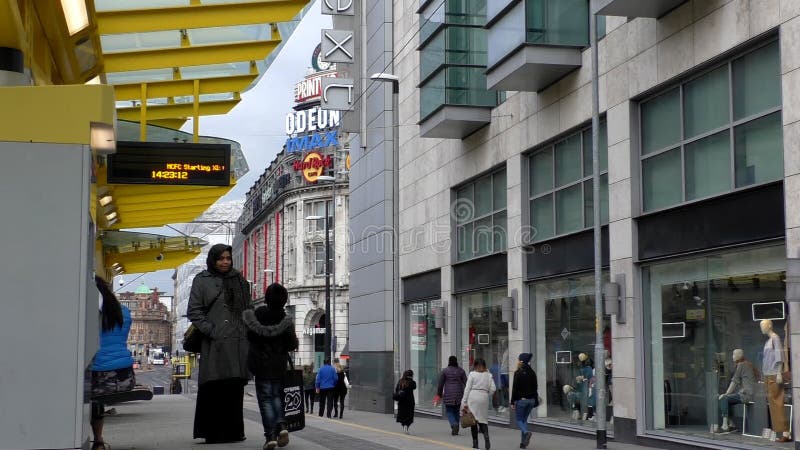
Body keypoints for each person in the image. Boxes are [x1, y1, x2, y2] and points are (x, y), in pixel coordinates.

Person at [187, 243, 252, 444]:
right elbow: (194, 311)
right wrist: (211, 330)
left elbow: (247, 309)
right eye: (221, 258)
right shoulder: (202, 280)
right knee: (214, 386)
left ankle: (234, 432)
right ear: (213, 260)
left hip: (237, 343)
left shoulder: (240, 280)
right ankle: (213, 433)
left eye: (228, 258)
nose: (225, 262)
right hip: (214, 344)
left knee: (234, 388)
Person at [243, 283, 298, 450]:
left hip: (261, 364)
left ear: (266, 298)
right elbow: (291, 344)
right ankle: (282, 425)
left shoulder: (258, 314)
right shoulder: (285, 318)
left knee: (265, 399)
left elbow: (250, 336)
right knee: (276, 397)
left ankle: (271, 435)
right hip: (279, 365)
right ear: (284, 300)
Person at [90, 276, 135, 450]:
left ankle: (94, 439)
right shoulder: (124, 311)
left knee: (84, 387)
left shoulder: (89, 312)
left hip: (101, 379)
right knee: (96, 399)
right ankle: (98, 439)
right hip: (125, 376)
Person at [717, 348, 755, 433]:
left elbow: (734, 382)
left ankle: (725, 426)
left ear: (739, 356)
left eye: (734, 354)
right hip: (750, 394)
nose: (732, 356)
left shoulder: (741, 365)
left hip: (747, 395)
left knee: (724, 399)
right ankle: (732, 425)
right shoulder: (747, 364)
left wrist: (725, 394)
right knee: (727, 401)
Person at [462, 358, 496, 449]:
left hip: (473, 397)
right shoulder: (489, 375)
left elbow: (467, 389)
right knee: (483, 420)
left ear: (475, 365)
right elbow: (493, 388)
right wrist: (487, 394)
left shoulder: (472, 374)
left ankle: (475, 443)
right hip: (484, 397)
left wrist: (464, 402)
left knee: (473, 421)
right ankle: (486, 438)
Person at [510, 353, 538, 449]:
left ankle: (526, 433)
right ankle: (523, 443)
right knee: (524, 420)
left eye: (518, 359)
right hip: (531, 400)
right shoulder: (532, 372)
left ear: (521, 361)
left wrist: (512, 402)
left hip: (521, 401)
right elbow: (535, 387)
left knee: (518, 420)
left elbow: (514, 388)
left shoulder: (518, 372)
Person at [437, 355, 467, 436]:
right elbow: (466, 382)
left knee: (449, 411)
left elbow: (440, 384)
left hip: (448, 394)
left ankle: (454, 424)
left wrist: (439, 394)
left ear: (449, 362)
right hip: (459, 394)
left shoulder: (445, 371)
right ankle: (456, 427)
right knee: (456, 411)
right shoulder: (461, 371)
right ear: (456, 361)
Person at [395, 369, 416, 434]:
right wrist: (411, 379)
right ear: (411, 375)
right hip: (410, 401)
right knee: (409, 415)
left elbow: (396, 390)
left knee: (402, 415)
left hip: (402, 401)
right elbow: (414, 387)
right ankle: (406, 426)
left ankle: (404, 425)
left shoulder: (400, 381)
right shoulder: (412, 382)